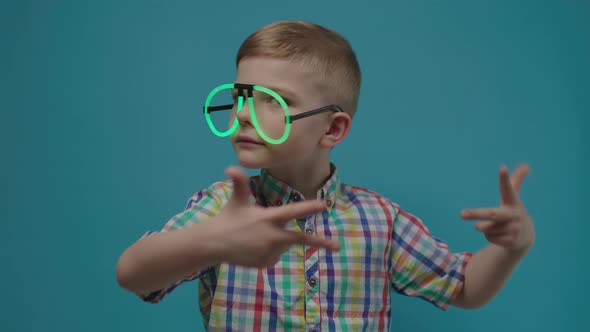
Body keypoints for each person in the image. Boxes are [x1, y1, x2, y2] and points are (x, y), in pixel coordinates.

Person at [116, 20, 535, 331]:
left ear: (332, 129)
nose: (242, 113)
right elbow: (133, 274)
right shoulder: (222, 210)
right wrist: (212, 239)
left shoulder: (381, 221)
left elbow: (465, 288)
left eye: (272, 101)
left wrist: (511, 248)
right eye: (242, 95)